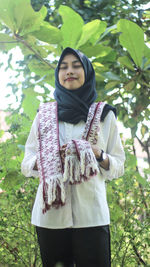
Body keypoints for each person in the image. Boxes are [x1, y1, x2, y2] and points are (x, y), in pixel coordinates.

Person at [21, 47, 125, 267]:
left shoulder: (104, 115)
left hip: (92, 217)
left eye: (76, 66)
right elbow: (27, 162)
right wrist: (47, 159)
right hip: (50, 218)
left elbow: (118, 166)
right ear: (58, 75)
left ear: (86, 73)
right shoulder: (44, 115)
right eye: (63, 67)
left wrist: (97, 154)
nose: (70, 71)